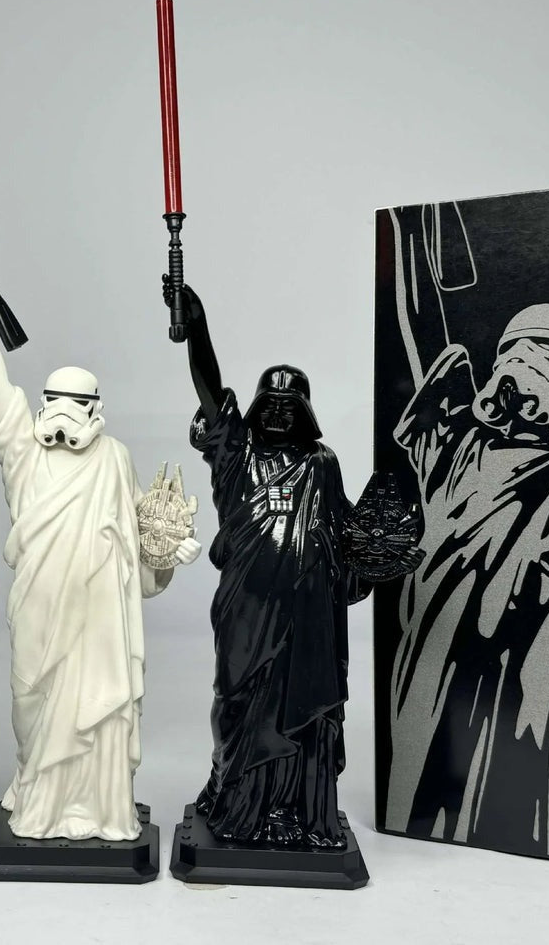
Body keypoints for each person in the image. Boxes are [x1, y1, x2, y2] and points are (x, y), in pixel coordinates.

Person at [386, 204, 549, 865]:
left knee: (515, 801)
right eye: (516, 354)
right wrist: (409, 231)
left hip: (531, 692)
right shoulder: (457, 448)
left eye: (547, 357)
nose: (525, 368)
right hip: (438, 675)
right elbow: (420, 329)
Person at [0, 262, 200, 841]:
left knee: (100, 711)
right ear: (42, 404)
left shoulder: (114, 458)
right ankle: (36, 791)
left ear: (95, 409)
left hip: (99, 622)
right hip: (39, 606)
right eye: (53, 400)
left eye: (76, 402)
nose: (62, 411)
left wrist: (170, 550)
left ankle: (100, 807)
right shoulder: (24, 449)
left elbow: (143, 541)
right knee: (33, 704)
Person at [163, 280, 367, 847]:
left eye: (289, 406)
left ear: (306, 413)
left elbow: (347, 533)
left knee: (302, 714)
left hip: (307, 620)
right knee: (235, 704)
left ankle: (293, 812)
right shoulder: (238, 453)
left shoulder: (321, 463)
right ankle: (236, 799)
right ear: (255, 410)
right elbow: (210, 392)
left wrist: (371, 555)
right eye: (269, 405)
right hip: (247, 612)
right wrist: (197, 327)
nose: (278, 413)